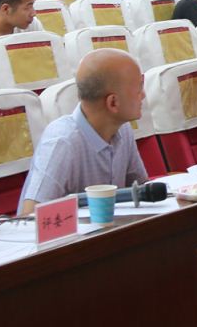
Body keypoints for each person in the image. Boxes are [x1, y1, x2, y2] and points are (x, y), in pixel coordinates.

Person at [18, 49, 149, 214]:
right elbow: (31, 217)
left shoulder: (123, 129)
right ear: (113, 103)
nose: (143, 95)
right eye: (139, 88)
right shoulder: (62, 143)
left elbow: (141, 189)